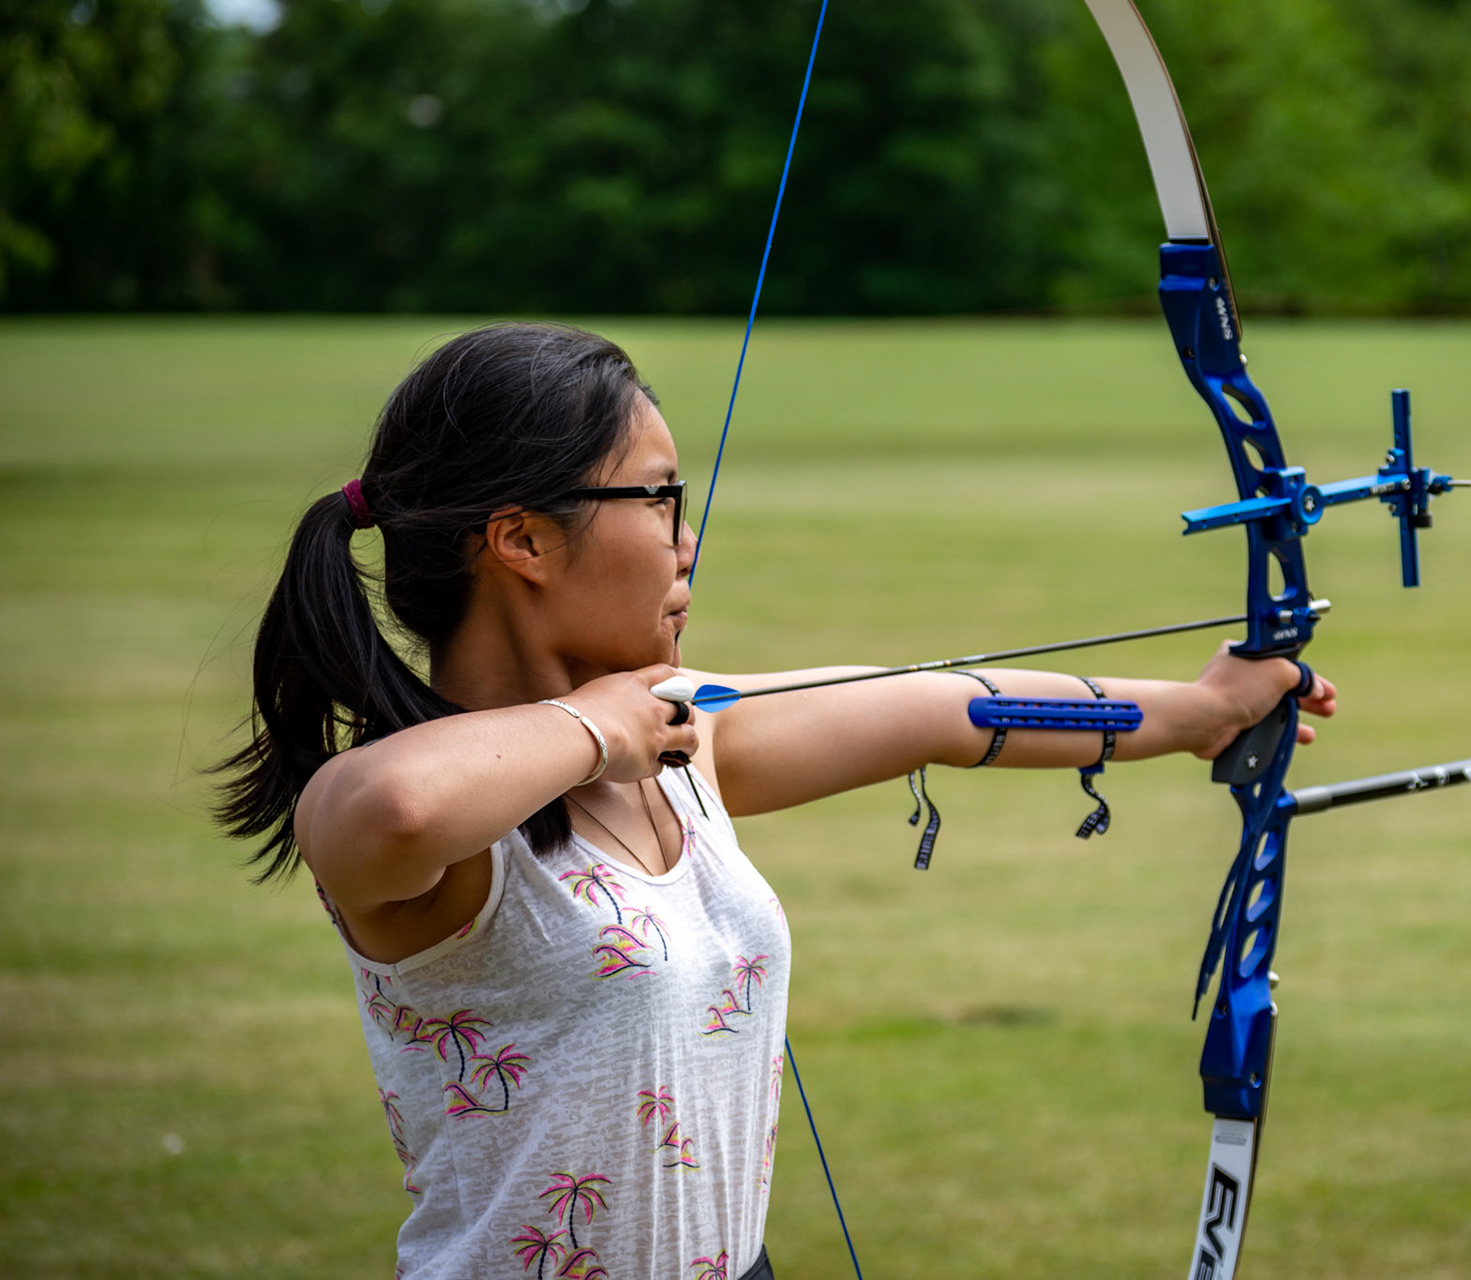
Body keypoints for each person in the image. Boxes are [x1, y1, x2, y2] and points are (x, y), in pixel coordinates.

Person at [216, 322, 1335, 1280]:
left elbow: (950, 708)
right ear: (522, 539)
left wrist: (1198, 711)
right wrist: (599, 725)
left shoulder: (684, 737)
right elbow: (390, 809)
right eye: (659, 498)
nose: (686, 539)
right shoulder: (433, 812)